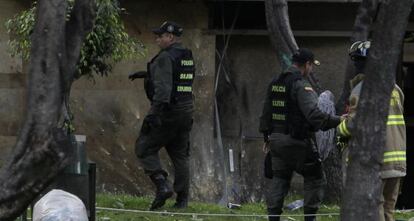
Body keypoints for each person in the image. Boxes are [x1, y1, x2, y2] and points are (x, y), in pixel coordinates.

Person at [259, 48, 342, 221]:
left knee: (280, 178)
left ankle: (273, 217)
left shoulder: (276, 82)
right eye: (311, 66)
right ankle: (309, 218)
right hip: (296, 141)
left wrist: (267, 137)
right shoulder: (301, 85)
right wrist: (338, 120)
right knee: (315, 177)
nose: (311, 70)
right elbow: (314, 115)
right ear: (307, 64)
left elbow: (265, 113)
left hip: (276, 141)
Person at [129, 21, 195, 210]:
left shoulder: (166, 57)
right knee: (180, 155)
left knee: (144, 147)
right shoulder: (186, 55)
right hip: (185, 110)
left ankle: (162, 186)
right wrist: (148, 74)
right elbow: (177, 79)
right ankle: (182, 201)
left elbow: (165, 88)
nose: (157, 39)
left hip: (167, 111)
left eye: (160, 36)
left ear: (170, 37)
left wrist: (154, 114)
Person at [337, 41, 406, 221]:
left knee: (375, 208)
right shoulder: (395, 88)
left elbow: (354, 125)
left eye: (358, 61)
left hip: (377, 160)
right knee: (389, 210)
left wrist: (340, 127)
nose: (356, 65)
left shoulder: (362, 90)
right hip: (398, 161)